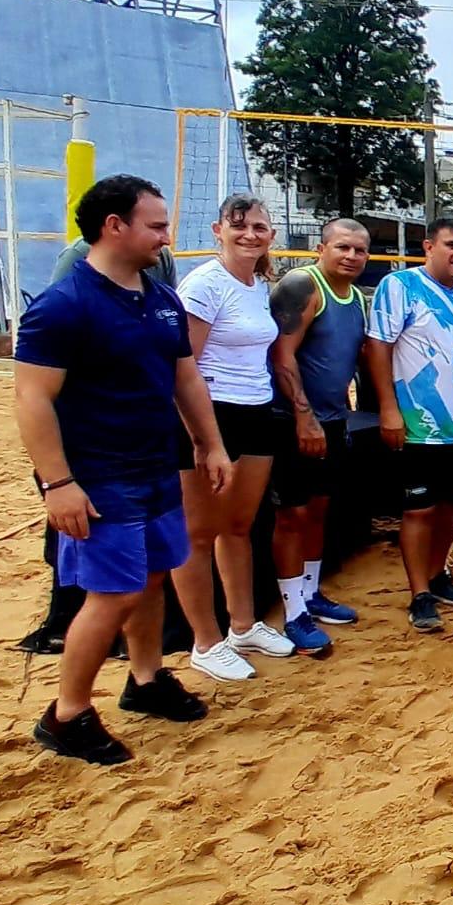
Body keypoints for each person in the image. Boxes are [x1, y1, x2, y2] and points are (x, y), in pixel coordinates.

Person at [14, 175, 231, 764]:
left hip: (157, 462)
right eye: (156, 225)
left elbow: (185, 376)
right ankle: (67, 714)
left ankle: (146, 679)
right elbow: (32, 400)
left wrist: (209, 444)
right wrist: (58, 484)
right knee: (112, 594)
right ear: (115, 226)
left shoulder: (159, 298)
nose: (166, 237)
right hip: (99, 475)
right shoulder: (64, 306)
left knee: (157, 572)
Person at [173, 194, 295, 679]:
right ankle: (205, 641)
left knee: (239, 526)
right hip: (212, 414)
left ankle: (242, 625)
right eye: (239, 225)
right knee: (198, 534)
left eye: (260, 227)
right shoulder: (204, 284)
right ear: (217, 230)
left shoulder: (256, 285)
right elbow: (184, 367)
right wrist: (204, 439)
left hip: (255, 410)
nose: (250, 234)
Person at [367, 218, 453, 631]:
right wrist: (388, 409)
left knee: (451, 504)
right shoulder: (401, 287)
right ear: (429, 247)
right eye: (452, 245)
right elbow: (378, 347)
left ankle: (439, 574)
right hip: (418, 423)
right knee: (419, 509)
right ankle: (419, 593)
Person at [266, 217, 369, 655]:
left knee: (320, 510)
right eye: (342, 247)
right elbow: (281, 354)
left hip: (333, 418)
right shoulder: (303, 286)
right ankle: (293, 613)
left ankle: (310, 593)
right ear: (322, 248)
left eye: (359, 250)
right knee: (294, 515)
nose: (351, 256)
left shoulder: (357, 298)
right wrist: (302, 417)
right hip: (292, 418)